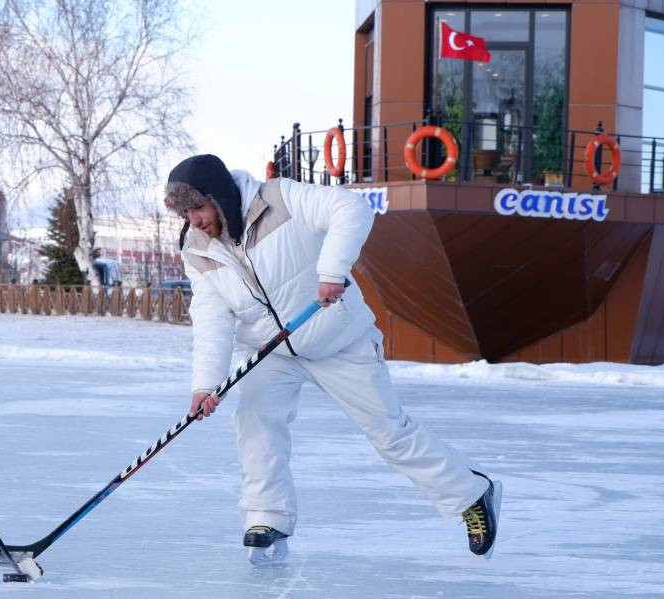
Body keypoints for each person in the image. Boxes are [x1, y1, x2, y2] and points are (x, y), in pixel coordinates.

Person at [163, 154, 501, 564]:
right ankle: (266, 518)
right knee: (255, 420)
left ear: (218, 196)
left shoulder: (279, 197)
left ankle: (472, 492)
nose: (193, 219)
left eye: (196, 207)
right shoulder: (196, 247)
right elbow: (212, 316)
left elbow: (351, 208)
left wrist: (332, 271)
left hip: (338, 337)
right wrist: (206, 383)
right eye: (184, 212)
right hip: (271, 347)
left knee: (389, 433)